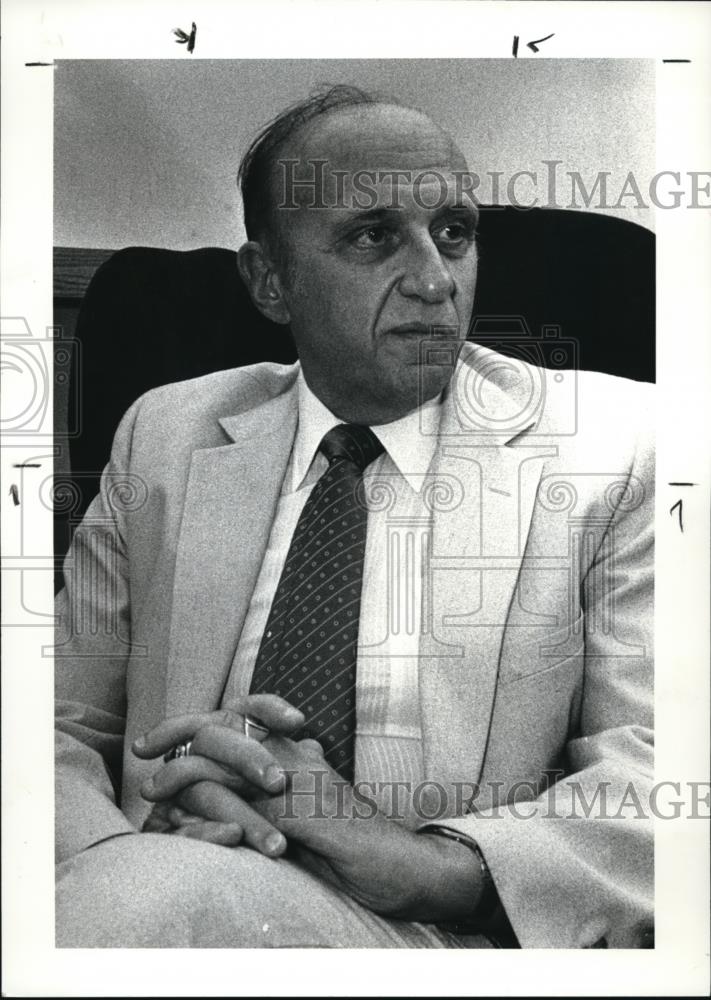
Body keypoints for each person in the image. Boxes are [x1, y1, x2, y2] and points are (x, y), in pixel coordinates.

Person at [55, 85, 654, 948]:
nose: (435, 279)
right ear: (269, 281)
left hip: (448, 926)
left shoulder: (625, 447)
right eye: (372, 236)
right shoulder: (165, 432)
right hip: (162, 883)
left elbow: (659, 765)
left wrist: (440, 867)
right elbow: (56, 724)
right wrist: (117, 857)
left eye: (453, 231)